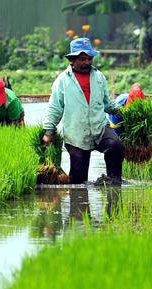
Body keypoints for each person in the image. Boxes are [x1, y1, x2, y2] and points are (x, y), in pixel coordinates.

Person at [42, 38, 123, 185]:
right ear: (72, 60)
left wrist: (122, 112)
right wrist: (49, 131)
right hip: (76, 134)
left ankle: (115, 183)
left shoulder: (99, 77)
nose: (87, 62)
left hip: (99, 128)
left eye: (90, 59)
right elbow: (55, 108)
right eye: (83, 59)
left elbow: (106, 103)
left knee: (116, 145)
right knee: (78, 182)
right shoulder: (62, 81)